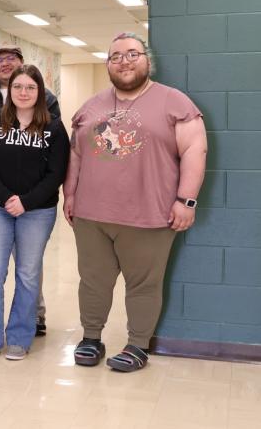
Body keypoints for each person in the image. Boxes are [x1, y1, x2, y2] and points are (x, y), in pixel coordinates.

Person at [64, 32, 207, 372]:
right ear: (108, 64)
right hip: (91, 215)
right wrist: (69, 194)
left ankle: (138, 344)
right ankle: (91, 337)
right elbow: (75, 155)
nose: (124, 61)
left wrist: (186, 201)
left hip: (149, 216)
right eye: (116, 56)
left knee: (143, 285)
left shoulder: (175, 102)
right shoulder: (91, 105)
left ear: (147, 59)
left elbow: (195, 150)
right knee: (93, 280)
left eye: (132, 54)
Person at [0, 44, 60, 335]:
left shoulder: (49, 108)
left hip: (34, 204)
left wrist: (27, 200)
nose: (5, 63)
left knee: (28, 267)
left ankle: (32, 317)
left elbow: (54, 161)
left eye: (11, 59)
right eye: (0, 60)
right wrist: (1, 195)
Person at [0, 65, 69, 361]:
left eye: (30, 87)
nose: (23, 92)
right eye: (18, 87)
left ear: (40, 92)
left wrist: (25, 202)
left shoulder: (53, 127)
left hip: (37, 211)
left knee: (27, 275)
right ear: (9, 91)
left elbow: (56, 174)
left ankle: (19, 336)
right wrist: (6, 199)